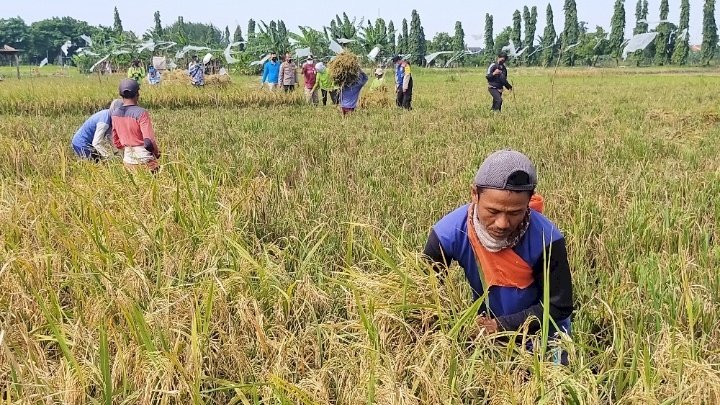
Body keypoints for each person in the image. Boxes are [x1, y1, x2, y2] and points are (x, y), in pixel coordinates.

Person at [423, 150, 573, 362]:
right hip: (485, 334)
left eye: (515, 213)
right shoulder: (449, 233)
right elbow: (424, 291)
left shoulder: (546, 239)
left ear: (530, 200)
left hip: (541, 335)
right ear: (474, 194)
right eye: (493, 211)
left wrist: (501, 326)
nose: (503, 224)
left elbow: (559, 306)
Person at [111, 79, 161, 172]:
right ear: (137, 94)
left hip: (128, 161)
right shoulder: (141, 113)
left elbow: (116, 142)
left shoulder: (115, 114)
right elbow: (148, 142)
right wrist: (156, 153)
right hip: (145, 160)